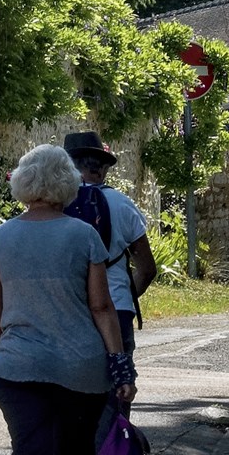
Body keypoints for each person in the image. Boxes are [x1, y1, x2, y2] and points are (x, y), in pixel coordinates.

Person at [0, 141, 133, 455]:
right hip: (80, 367)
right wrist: (119, 365)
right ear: (66, 185)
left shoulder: (1, 237)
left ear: (23, 183)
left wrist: (4, 353)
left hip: (18, 366)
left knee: (30, 452)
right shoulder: (83, 235)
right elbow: (103, 308)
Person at [64, 131, 155, 392]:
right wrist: (125, 296)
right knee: (118, 391)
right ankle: (116, 432)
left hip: (69, 311)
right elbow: (147, 269)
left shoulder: (53, 205)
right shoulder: (121, 204)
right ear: (103, 169)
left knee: (74, 394)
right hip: (117, 308)